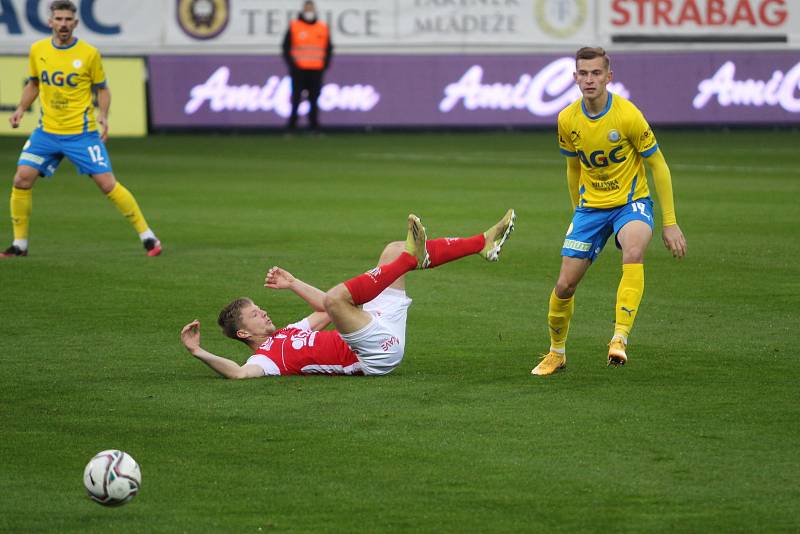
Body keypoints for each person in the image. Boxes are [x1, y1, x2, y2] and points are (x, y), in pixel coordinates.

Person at [180, 210, 515, 379]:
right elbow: (238, 373)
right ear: (243, 333)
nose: (264, 312)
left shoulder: (289, 332)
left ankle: (481, 244)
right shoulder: (264, 360)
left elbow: (327, 310)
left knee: (392, 249)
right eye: (255, 314)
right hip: (375, 356)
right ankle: (410, 259)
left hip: (375, 324)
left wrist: (294, 283)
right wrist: (198, 351)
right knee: (339, 296)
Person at [531, 47, 687, 376]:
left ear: (608, 77)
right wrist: (578, 210)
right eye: (583, 74)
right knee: (564, 286)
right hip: (590, 209)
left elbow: (658, 164)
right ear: (575, 78)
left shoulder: (628, 115)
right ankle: (556, 353)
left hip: (631, 203)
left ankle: (619, 339)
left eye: (596, 73)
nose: (590, 79)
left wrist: (670, 223)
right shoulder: (567, 119)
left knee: (633, 250)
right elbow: (573, 168)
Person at [1, 0, 161, 258]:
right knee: (21, 178)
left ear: (75, 23)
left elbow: (103, 89)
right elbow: (34, 83)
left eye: (68, 20)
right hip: (47, 132)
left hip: (81, 134)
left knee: (108, 184)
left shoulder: (88, 54)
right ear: (50, 22)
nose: (63, 24)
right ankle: (20, 244)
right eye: (59, 19)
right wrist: (20, 108)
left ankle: (148, 236)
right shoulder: (38, 50)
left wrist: (104, 117)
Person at [282, 0, 333, 132]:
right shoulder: (295, 26)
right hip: (299, 69)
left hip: (316, 69)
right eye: (307, 8)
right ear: (303, 10)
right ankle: (292, 127)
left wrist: (324, 65)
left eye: (311, 8)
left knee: (314, 99)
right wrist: (293, 65)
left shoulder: (322, 27)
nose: (309, 11)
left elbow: (328, 48)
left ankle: (314, 126)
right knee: (296, 99)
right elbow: (286, 47)